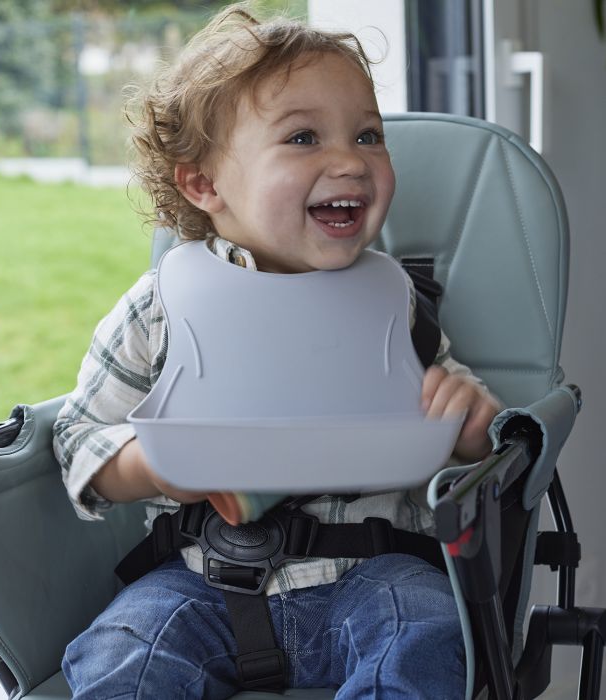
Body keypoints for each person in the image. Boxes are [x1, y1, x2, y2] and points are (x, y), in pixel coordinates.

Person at [53, 4, 501, 698]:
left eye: (367, 135)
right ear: (204, 184)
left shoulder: (396, 301)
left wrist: (470, 425)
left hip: (374, 575)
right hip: (198, 581)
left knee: (428, 632)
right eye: (302, 137)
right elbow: (77, 439)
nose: (350, 160)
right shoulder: (162, 306)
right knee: (120, 650)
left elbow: (472, 423)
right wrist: (154, 465)